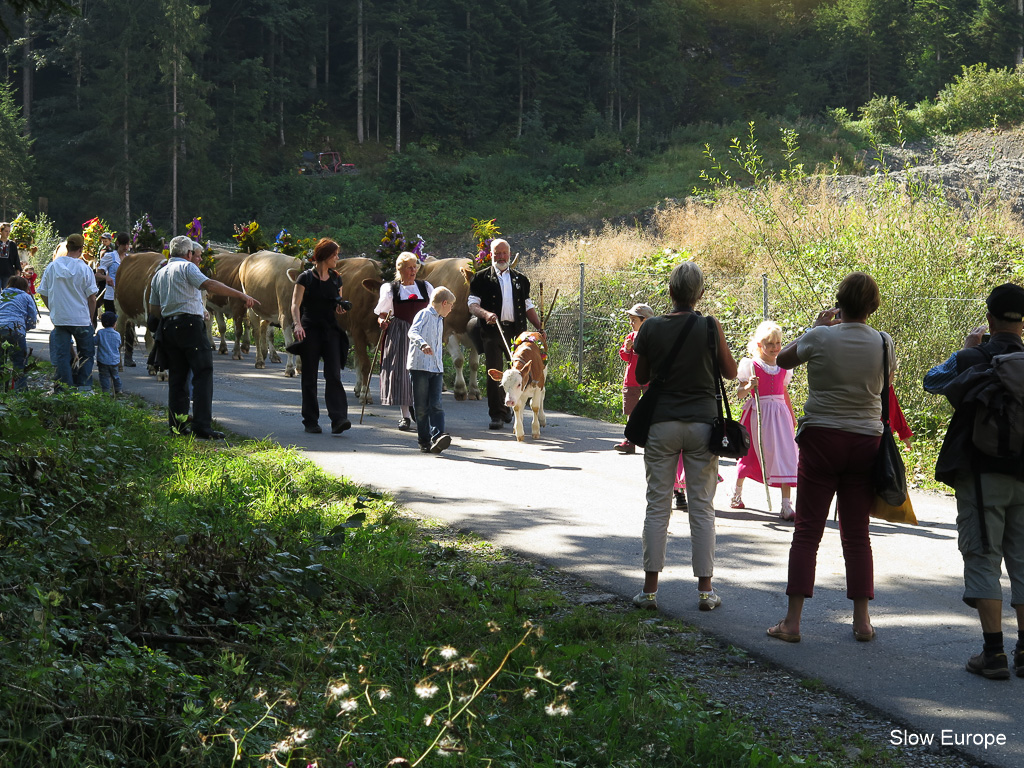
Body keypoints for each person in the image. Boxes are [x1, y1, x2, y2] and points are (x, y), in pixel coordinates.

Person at [766, 272, 892, 644]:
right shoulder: (884, 343)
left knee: (807, 532)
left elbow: (783, 362)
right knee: (857, 535)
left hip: (821, 438)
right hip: (866, 441)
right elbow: (885, 383)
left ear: (839, 304)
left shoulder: (820, 337)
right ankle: (862, 621)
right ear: (873, 306)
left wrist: (812, 328)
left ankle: (792, 623)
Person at [924, 283, 1024, 680]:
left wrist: (966, 348)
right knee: (1023, 558)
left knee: (983, 554)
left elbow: (932, 381)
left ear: (990, 319)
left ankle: (994, 653)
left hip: (982, 475)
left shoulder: (971, 356)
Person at [631, 261, 738, 612]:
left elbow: (643, 377)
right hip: (703, 426)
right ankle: (706, 592)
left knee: (657, 505)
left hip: (661, 425)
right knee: (702, 508)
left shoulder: (651, 328)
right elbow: (731, 371)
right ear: (700, 293)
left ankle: (649, 591)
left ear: (671, 292)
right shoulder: (710, 326)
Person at [149, 235, 258, 439]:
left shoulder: (160, 273)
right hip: (190, 326)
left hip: (169, 328)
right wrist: (241, 295)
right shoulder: (188, 268)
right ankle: (202, 425)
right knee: (203, 373)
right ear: (189, 254)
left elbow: (154, 309)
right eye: (195, 255)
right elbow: (210, 285)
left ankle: (177, 426)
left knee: (178, 378)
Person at [732, 321, 799, 521]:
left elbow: (784, 391)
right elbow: (739, 394)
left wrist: (791, 414)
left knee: (785, 456)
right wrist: (749, 386)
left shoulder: (784, 366)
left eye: (778, 343)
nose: (775, 348)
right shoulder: (751, 365)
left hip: (780, 416)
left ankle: (786, 506)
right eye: (770, 344)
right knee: (751, 455)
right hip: (758, 414)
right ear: (759, 345)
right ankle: (736, 494)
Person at [290, 237, 352, 435]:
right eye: (335, 255)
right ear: (325, 256)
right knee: (309, 376)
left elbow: (336, 302)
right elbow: (295, 304)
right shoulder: (305, 278)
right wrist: (297, 324)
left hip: (330, 329)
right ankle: (310, 420)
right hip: (310, 329)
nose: (337, 258)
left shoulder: (336, 278)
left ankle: (339, 419)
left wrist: (340, 307)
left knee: (333, 374)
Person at [374, 252, 433, 431]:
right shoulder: (391, 289)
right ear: (400, 269)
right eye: (409, 267)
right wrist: (382, 322)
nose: (413, 270)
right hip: (400, 332)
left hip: (422, 332)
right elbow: (382, 314)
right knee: (402, 373)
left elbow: (435, 308)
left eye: (415, 266)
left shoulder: (425, 287)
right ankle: (405, 416)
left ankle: (420, 410)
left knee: (423, 371)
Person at [38, 233, 98, 391]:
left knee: (62, 356)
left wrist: (53, 308)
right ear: (81, 249)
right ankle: (84, 388)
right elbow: (92, 298)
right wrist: (91, 319)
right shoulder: (85, 269)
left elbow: (43, 292)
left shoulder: (52, 267)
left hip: (61, 319)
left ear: (67, 247)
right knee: (86, 354)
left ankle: (64, 388)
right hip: (81, 319)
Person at [408, 286, 456, 454]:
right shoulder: (424, 315)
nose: (451, 309)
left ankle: (438, 437)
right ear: (444, 303)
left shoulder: (439, 319)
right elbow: (412, 332)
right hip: (420, 367)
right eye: (451, 305)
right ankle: (424, 441)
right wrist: (422, 344)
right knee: (421, 407)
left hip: (436, 367)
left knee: (436, 404)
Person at [614, 302, 656, 454]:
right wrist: (627, 348)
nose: (631, 323)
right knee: (631, 411)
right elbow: (625, 357)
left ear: (645, 320)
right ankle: (630, 440)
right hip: (631, 380)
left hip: (648, 380)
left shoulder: (653, 337)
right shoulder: (630, 336)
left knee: (650, 410)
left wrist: (638, 347)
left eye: (634, 320)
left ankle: (651, 440)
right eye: (630, 320)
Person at [0, 275, 37, 390]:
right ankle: (20, 392)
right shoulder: (26, 297)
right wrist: (26, 328)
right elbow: (32, 317)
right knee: (19, 362)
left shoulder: (1, 295)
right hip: (16, 330)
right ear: (24, 287)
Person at [99, 233, 128, 316]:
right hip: (111, 296)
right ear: (118, 243)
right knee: (112, 322)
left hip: (125, 297)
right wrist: (106, 277)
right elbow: (97, 275)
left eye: (127, 244)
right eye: (123, 244)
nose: (125, 247)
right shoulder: (110, 256)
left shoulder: (129, 258)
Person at [94, 310, 123, 395]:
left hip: (103, 360)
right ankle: (118, 389)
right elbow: (119, 344)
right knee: (115, 376)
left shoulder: (100, 333)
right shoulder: (117, 334)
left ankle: (106, 391)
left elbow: (95, 342)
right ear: (114, 324)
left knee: (104, 377)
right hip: (114, 360)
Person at [0, 222, 22, 287]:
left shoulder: (12, 244)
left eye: (9, 231)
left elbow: (16, 258)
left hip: (8, 272)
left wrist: (18, 269)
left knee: (7, 293)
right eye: (6, 231)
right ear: (1, 231)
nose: (8, 233)